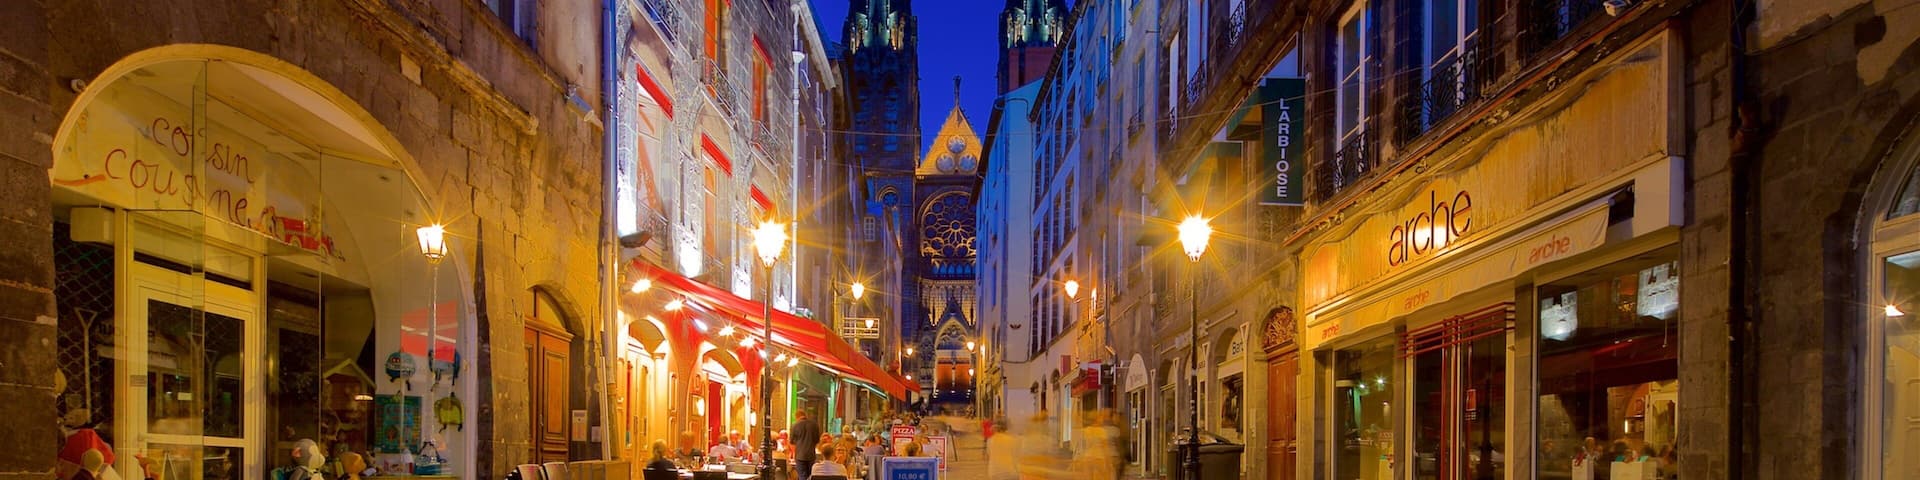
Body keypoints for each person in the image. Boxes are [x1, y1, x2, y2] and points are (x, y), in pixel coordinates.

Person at [790, 410, 822, 480]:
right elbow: (817, 440)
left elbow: (792, 442)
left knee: (802, 476)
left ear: (797, 417)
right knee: (811, 475)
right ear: (805, 415)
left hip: (799, 456)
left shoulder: (794, 426)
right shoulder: (814, 425)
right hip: (811, 455)